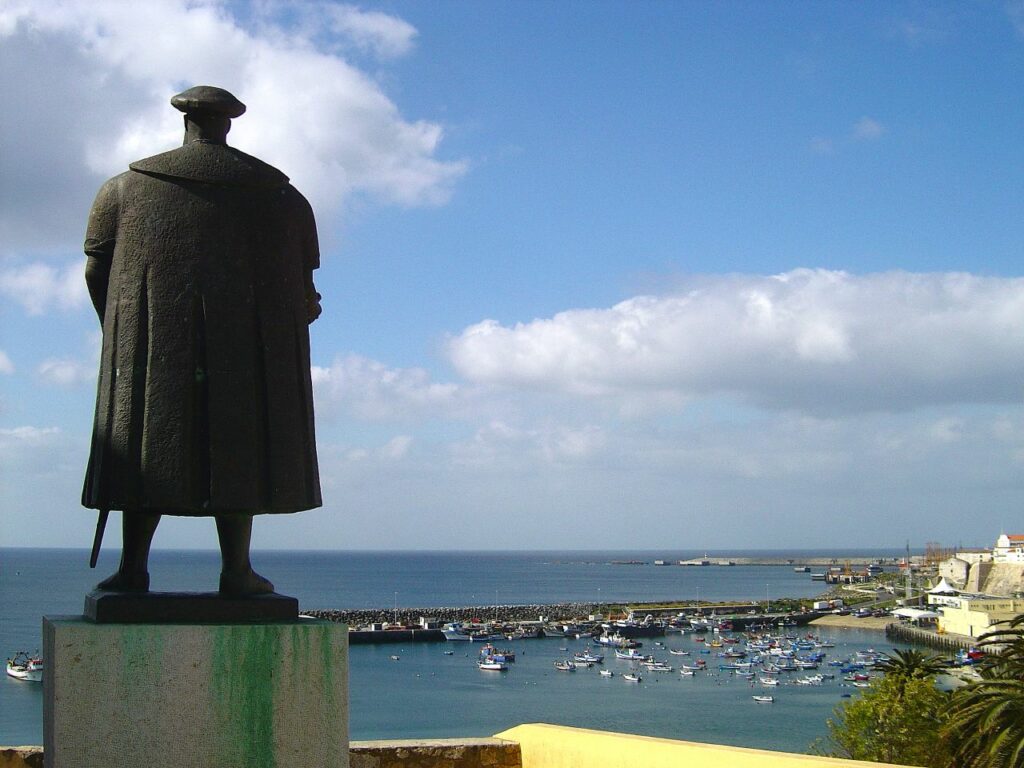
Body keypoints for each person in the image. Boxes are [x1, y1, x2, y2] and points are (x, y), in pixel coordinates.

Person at [83, 86, 322, 595]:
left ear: (186, 122)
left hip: (150, 350)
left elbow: (96, 271)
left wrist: (120, 333)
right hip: (247, 355)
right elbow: (306, 295)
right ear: (227, 125)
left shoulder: (123, 189)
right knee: (238, 448)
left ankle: (133, 570)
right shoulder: (284, 197)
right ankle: (236, 570)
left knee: (144, 445)